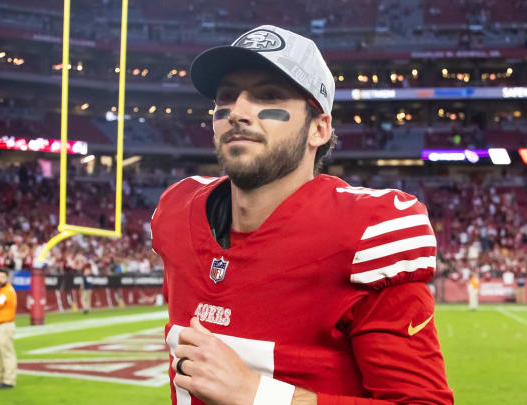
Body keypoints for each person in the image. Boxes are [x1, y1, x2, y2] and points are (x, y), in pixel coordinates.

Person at [151, 25, 453, 405]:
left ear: (319, 129)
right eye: (227, 97)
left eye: (268, 96)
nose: (238, 112)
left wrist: (257, 395)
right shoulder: (176, 213)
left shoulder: (366, 231)